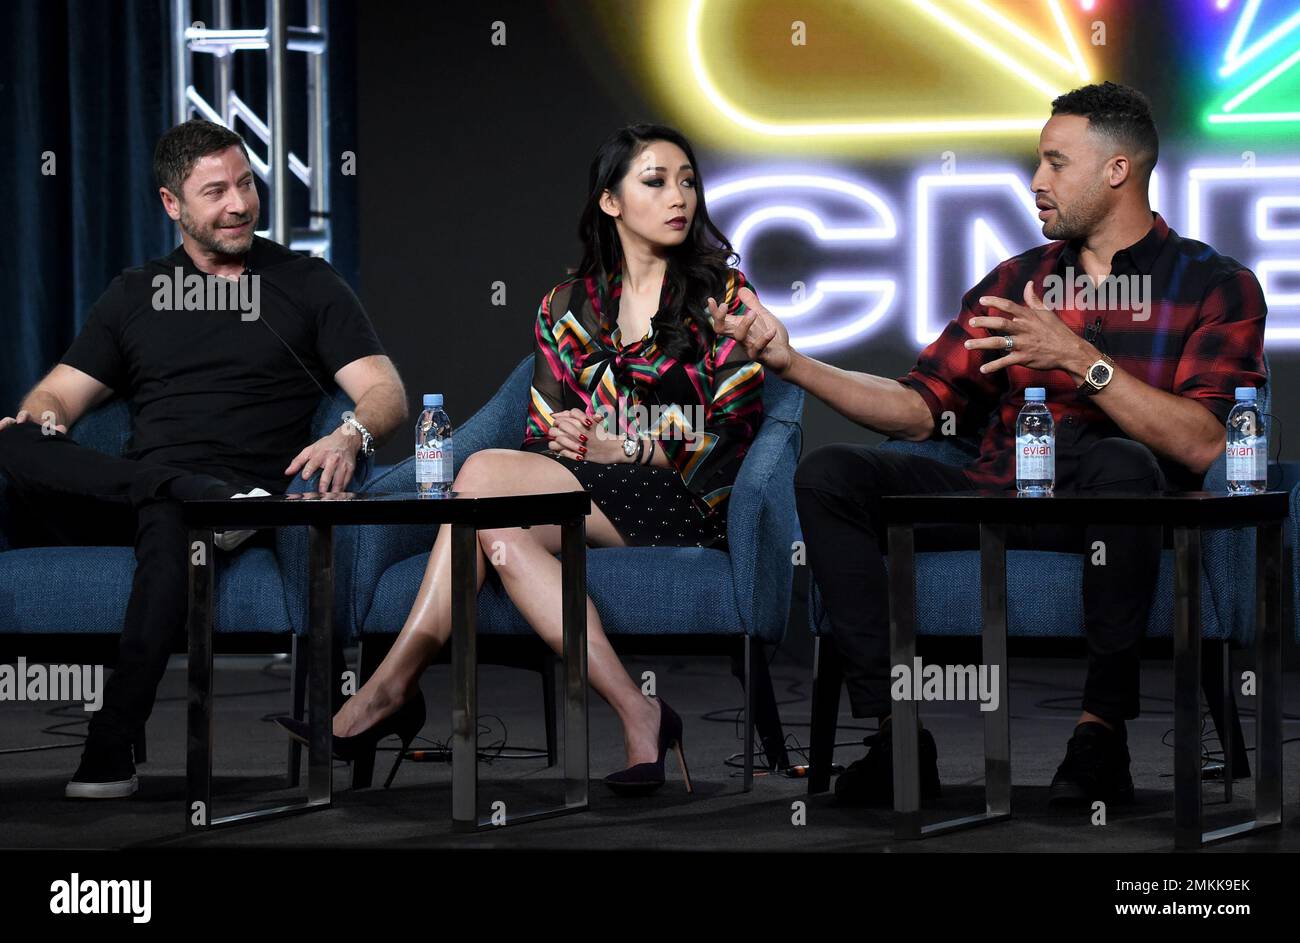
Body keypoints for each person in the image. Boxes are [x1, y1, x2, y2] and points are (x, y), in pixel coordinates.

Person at [710, 82, 1267, 807]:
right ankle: (896, 731)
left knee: (1123, 461)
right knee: (830, 475)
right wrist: (794, 363)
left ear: (1117, 171)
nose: (1036, 182)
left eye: (1055, 162)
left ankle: (1100, 737)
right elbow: (917, 410)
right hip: (1000, 490)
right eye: (1038, 162)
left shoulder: (1215, 285)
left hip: (1118, 505)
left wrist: (1080, 359)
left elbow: (1204, 445)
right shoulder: (1017, 281)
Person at [277, 123, 765, 795]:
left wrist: (623, 444)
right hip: (590, 496)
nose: (678, 196)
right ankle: (638, 708)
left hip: (687, 499)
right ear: (610, 201)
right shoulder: (566, 309)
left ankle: (387, 689)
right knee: (496, 525)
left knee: (479, 478)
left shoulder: (725, 300)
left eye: (687, 181)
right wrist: (570, 440)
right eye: (654, 181)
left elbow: (735, 430)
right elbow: (540, 439)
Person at [0, 119, 407, 799]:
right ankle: (190, 491)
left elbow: (384, 391)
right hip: (147, 490)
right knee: (11, 439)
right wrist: (40, 419)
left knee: (171, 525)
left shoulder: (305, 282)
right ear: (172, 204)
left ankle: (111, 747)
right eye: (215, 190)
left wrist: (350, 435)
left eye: (245, 182)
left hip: (250, 492)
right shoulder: (135, 294)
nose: (240, 203)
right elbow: (56, 396)